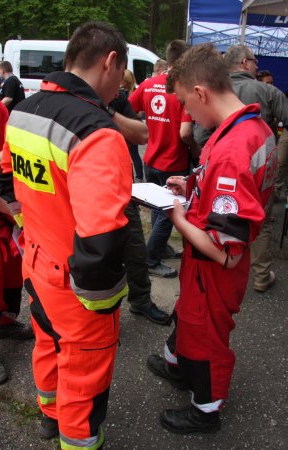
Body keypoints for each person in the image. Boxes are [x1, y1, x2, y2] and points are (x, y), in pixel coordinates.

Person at [3, 22, 132, 449]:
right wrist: (104, 306)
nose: (118, 88)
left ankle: (47, 413)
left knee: (46, 341)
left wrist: (29, 238)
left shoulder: (23, 111)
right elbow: (101, 240)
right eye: (121, 74)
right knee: (84, 376)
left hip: (36, 263)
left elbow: (11, 182)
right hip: (74, 284)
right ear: (110, 62)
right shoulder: (99, 134)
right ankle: (73, 437)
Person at [147, 43, 276, 434]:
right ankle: (180, 367)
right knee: (191, 321)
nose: (187, 114)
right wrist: (191, 185)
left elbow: (226, 254)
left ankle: (205, 411)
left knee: (208, 339)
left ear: (201, 92)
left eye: (186, 103)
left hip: (213, 270)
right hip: (207, 263)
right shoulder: (252, 127)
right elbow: (235, 195)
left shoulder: (232, 149)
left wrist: (176, 215)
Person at [223, 44, 288, 292]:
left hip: (223, 167)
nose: (256, 66)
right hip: (261, 166)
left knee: (223, 214)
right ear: (244, 63)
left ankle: (226, 269)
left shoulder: (215, 89)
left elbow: (198, 134)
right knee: (261, 219)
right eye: (254, 61)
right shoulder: (267, 91)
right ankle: (261, 276)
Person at [129, 40, 195, 278]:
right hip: (173, 161)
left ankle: (160, 248)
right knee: (168, 214)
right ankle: (151, 259)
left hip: (151, 157)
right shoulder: (182, 88)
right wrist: (195, 150)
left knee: (158, 208)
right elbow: (185, 132)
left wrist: (142, 129)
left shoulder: (148, 83)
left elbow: (128, 107)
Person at [109, 88, 170, 325]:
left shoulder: (116, 98)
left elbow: (142, 134)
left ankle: (141, 300)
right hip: (85, 191)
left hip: (122, 187)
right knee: (97, 253)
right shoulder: (69, 98)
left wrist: (108, 111)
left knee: (135, 247)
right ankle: (97, 314)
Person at [0, 97, 33, 386]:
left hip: (6, 213)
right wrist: (11, 209)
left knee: (13, 278)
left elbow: (10, 154)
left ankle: (5, 322)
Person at [120, 69, 144, 181]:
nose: (120, 83)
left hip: (133, 128)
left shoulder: (135, 92)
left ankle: (138, 176)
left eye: (123, 81)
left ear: (127, 81)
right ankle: (132, 179)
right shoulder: (122, 93)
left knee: (134, 155)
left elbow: (140, 112)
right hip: (125, 128)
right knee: (126, 156)